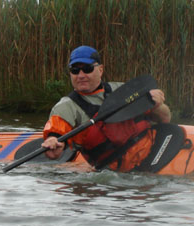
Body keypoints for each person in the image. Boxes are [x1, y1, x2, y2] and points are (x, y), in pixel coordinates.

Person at [41, 45, 171, 172]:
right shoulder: (66, 107)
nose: (80, 75)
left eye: (87, 69)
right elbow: (55, 134)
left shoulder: (122, 90)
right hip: (116, 171)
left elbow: (165, 118)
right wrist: (52, 141)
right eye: (75, 70)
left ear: (100, 70)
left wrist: (156, 104)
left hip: (156, 150)